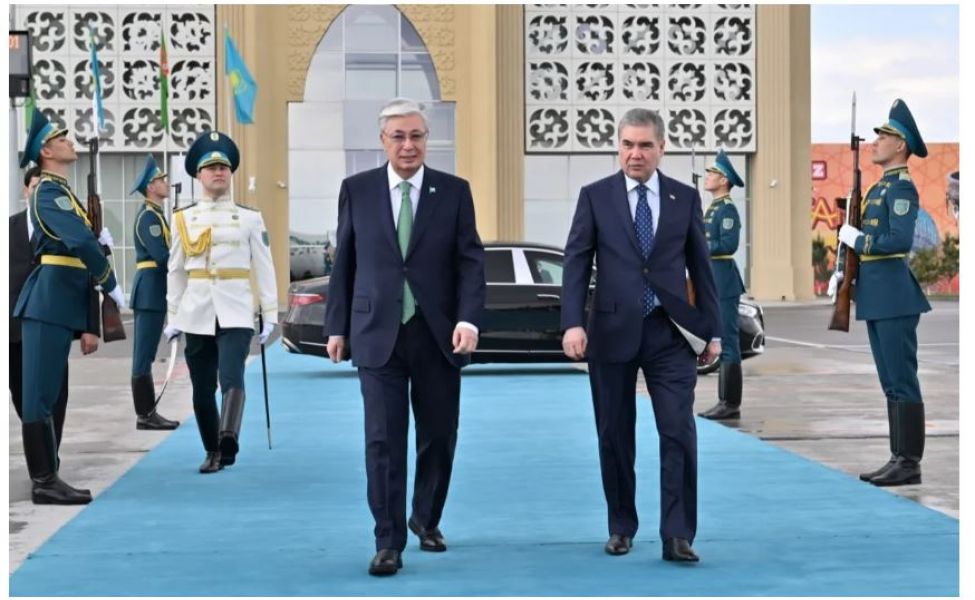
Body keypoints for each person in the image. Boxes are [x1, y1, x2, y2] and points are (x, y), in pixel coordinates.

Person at [324, 98, 486, 576]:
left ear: (426, 139)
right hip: (377, 334)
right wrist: (336, 327)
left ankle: (425, 518)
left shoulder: (453, 192)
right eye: (398, 136)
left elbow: (470, 263)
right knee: (383, 439)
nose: (408, 145)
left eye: (416, 135)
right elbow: (345, 263)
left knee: (438, 435)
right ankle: (387, 540)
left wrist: (468, 320)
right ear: (383, 141)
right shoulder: (357, 190)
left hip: (439, 336)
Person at [561, 108, 720, 563]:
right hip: (610, 332)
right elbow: (576, 261)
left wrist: (712, 332)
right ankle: (621, 526)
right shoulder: (595, 197)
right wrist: (572, 322)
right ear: (618, 147)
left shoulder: (684, 198)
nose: (635, 153)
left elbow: (702, 269)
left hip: (670, 334)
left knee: (678, 431)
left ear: (661, 148)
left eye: (645, 145)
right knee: (614, 434)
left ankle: (677, 534)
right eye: (628, 144)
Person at [13, 107, 125, 505]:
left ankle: (49, 475)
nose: (70, 142)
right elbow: (78, 242)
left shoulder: (61, 192)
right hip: (48, 301)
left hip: (58, 302)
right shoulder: (48, 192)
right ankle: (44, 481)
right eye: (63, 139)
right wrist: (109, 280)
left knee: (49, 393)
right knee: (39, 396)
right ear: (46, 150)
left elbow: (79, 239)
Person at [829, 98, 931, 487]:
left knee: (902, 379)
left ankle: (909, 462)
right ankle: (897, 456)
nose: (875, 142)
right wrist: (844, 273)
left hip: (894, 296)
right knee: (890, 381)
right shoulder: (878, 187)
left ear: (900, 144)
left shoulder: (901, 188)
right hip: (877, 295)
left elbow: (897, 240)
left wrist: (857, 239)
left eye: (884, 136)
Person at [165, 131, 277, 474]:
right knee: (202, 388)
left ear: (230, 174)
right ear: (199, 175)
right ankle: (212, 450)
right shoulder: (183, 218)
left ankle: (228, 437)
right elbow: (176, 271)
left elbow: (264, 266)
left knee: (232, 376)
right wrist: (173, 315)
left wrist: (270, 312)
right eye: (211, 168)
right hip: (197, 310)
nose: (218, 172)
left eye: (223, 168)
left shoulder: (249, 217)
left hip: (235, 309)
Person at [10, 166, 101, 462]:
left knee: (55, 397)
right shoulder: (9, 228)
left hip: (54, 320)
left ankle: (50, 464)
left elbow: (87, 274)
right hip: (13, 330)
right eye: (35, 186)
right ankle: (42, 459)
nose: (41, 192)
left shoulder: (68, 227)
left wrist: (91, 326)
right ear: (26, 191)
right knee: (24, 399)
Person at [128, 154, 179, 430]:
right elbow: (161, 256)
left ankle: (148, 412)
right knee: (143, 355)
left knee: (146, 354)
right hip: (150, 291)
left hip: (154, 290)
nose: (165, 183)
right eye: (161, 179)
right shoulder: (149, 217)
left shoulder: (156, 215)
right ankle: (145, 414)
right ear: (150, 186)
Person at [697, 150, 747, 420]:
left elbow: (728, 244)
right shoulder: (713, 207)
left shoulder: (727, 209)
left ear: (724, 180)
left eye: (712, 173)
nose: (708, 177)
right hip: (712, 279)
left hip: (724, 281)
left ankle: (730, 402)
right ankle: (723, 400)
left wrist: (698, 244)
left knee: (728, 340)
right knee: (718, 337)